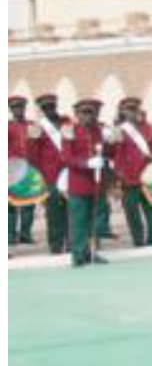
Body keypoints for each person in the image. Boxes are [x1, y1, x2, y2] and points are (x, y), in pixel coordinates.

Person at [60, 99, 117, 267]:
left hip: (96, 183)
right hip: (78, 183)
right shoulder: (69, 131)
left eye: (90, 112)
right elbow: (66, 157)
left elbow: (109, 154)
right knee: (78, 221)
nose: (87, 116)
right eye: (83, 113)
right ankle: (78, 255)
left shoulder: (99, 131)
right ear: (77, 114)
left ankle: (92, 251)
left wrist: (112, 143)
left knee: (94, 221)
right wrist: (86, 163)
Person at [114, 97, 152, 247]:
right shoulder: (119, 131)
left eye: (134, 109)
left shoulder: (148, 128)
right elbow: (115, 155)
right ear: (122, 112)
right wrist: (117, 177)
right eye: (128, 110)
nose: (132, 113)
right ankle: (138, 239)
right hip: (128, 177)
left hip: (147, 175)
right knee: (131, 211)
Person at [29, 93, 69, 254]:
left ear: (56, 106)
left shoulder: (67, 122)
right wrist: (39, 178)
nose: (49, 110)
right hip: (49, 176)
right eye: (45, 108)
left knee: (71, 210)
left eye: (51, 106)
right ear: (41, 110)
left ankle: (73, 242)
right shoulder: (38, 127)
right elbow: (33, 155)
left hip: (69, 173)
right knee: (53, 212)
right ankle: (56, 245)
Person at [9, 95, 38, 245]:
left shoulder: (32, 125)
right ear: (11, 110)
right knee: (11, 205)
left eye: (20, 107)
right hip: (12, 170)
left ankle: (26, 234)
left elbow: (38, 146)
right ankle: (10, 236)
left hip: (29, 169)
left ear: (24, 108)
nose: (18, 110)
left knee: (29, 204)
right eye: (15, 107)